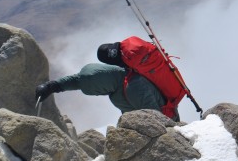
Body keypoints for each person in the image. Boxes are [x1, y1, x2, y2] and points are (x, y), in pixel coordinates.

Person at [35, 41, 179, 121]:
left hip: (166, 119)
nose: (97, 94)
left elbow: (156, 118)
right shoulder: (116, 77)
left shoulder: (134, 87)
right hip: (143, 116)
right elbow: (78, 81)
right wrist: (52, 86)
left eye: (95, 91)